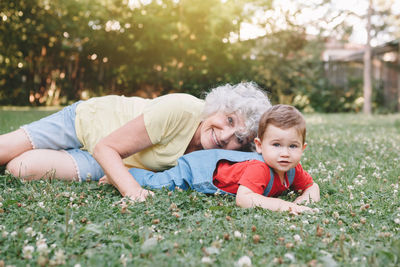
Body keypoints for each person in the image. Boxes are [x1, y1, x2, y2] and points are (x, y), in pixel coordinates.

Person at [0, 82, 271, 201]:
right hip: (88, 124)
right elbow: (105, 146)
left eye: (238, 137)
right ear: (217, 107)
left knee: (18, 168)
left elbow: (270, 163)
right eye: (230, 120)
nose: (225, 136)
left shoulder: (215, 155)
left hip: (107, 162)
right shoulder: (182, 109)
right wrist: (133, 191)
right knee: (4, 150)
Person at [124, 104, 320, 214]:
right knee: (157, 183)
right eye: (276, 145)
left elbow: (312, 186)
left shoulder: (294, 170)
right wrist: (287, 206)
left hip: (214, 163)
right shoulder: (259, 169)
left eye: (292, 146)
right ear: (259, 146)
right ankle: (125, 174)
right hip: (198, 171)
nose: (284, 153)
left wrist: (306, 200)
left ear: (302, 148)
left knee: (159, 179)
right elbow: (244, 199)